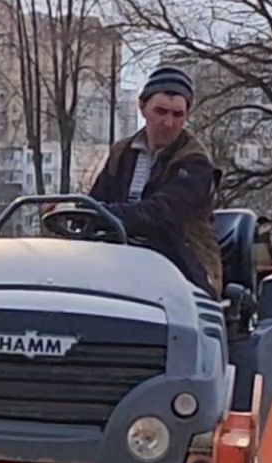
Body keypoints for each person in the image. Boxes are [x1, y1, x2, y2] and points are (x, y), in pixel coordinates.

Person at [85, 63, 224, 298]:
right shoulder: (122, 153)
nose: (168, 122)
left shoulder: (195, 163)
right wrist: (75, 214)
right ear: (142, 107)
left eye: (177, 115)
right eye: (161, 111)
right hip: (121, 258)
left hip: (182, 266)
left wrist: (104, 215)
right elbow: (95, 202)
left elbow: (162, 214)